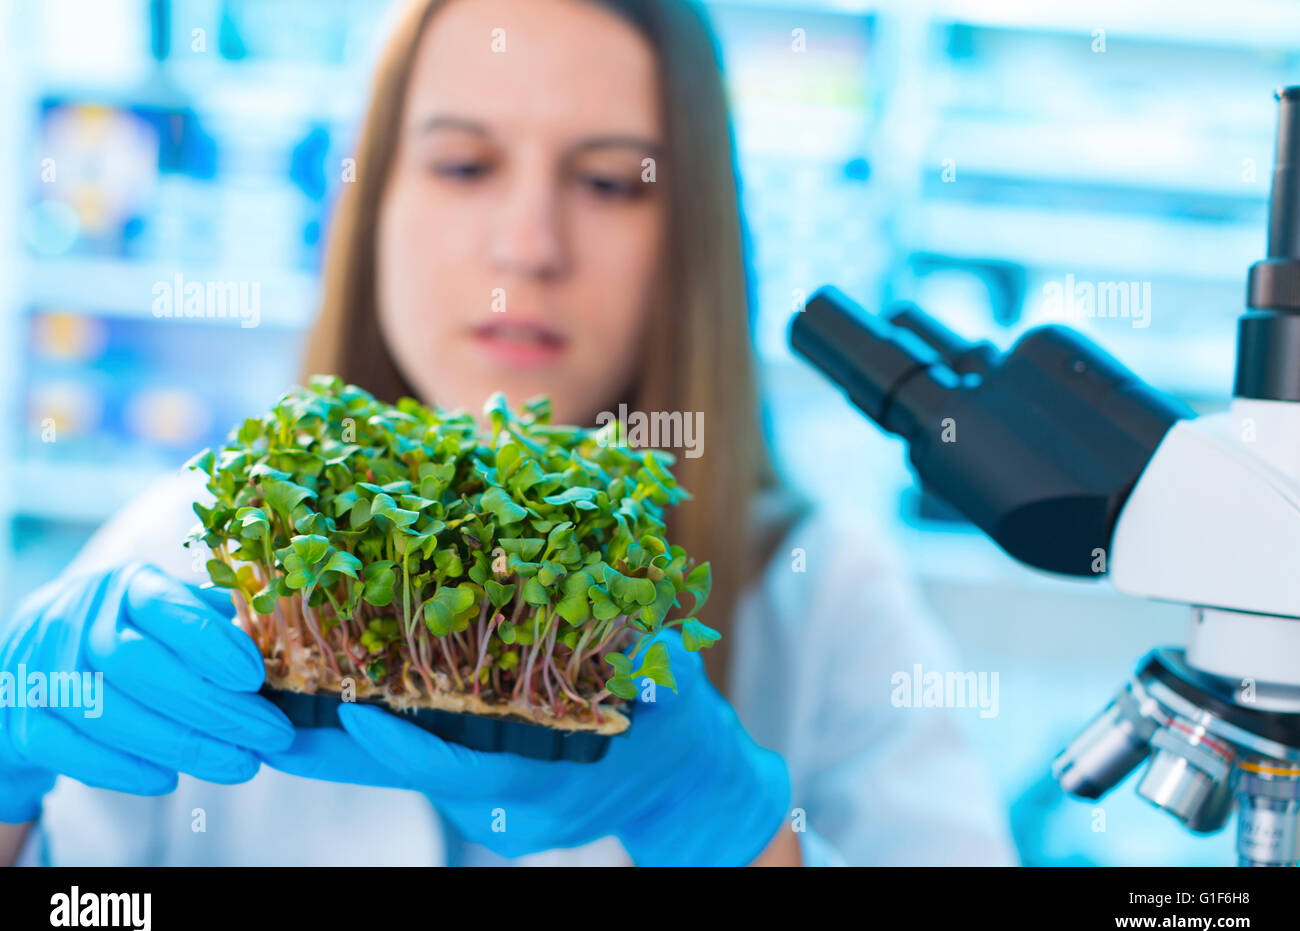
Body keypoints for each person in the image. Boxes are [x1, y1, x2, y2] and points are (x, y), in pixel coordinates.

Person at [0, 0, 1015, 866]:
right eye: (463, 164)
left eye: (611, 181)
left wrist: (735, 831)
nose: (527, 245)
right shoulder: (187, 557)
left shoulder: (824, 599)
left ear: (691, 236)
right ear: (375, 204)